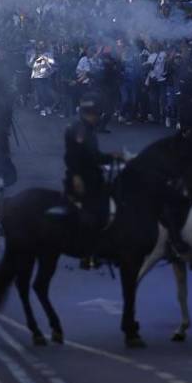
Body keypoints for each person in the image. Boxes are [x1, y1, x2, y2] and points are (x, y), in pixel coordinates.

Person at [63, 94, 118, 269]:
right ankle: (89, 255)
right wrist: (77, 176)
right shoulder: (81, 130)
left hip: (89, 176)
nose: (97, 118)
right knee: (98, 214)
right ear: (90, 114)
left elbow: (93, 156)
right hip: (85, 179)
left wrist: (112, 157)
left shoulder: (84, 128)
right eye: (95, 114)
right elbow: (74, 156)